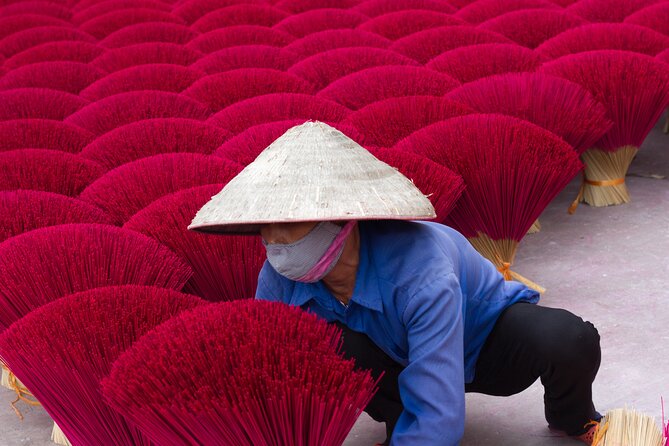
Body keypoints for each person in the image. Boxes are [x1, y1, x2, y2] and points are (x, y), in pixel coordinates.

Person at [189, 121, 602, 445]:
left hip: (483, 343)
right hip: (394, 359)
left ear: (341, 219)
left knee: (568, 338)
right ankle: (400, 424)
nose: (274, 241)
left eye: (289, 222)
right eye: (265, 225)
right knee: (331, 347)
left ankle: (574, 418)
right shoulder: (279, 277)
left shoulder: (420, 272)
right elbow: (269, 371)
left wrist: (433, 427)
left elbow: (443, 417)